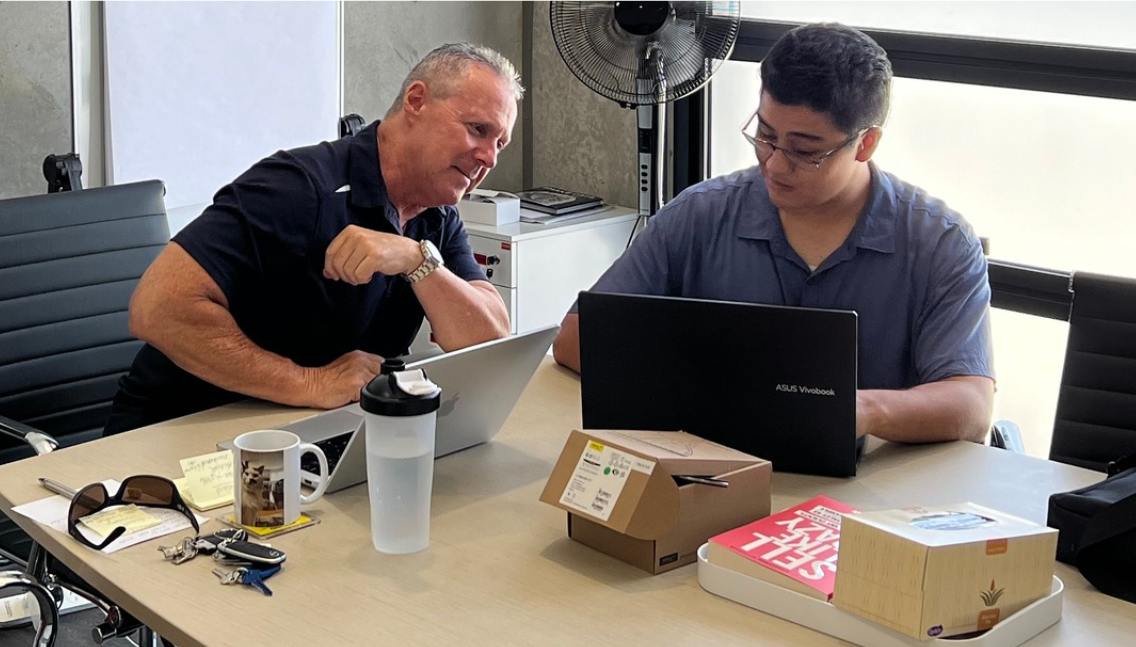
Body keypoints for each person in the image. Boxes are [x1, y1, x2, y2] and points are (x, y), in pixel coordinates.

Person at [552, 23, 994, 445]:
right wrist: (696, 392)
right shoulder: (700, 214)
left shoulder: (939, 242)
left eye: (805, 151)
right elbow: (575, 337)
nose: (776, 164)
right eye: (765, 135)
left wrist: (863, 411)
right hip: (716, 468)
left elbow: (972, 407)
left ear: (865, 144)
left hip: (875, 489)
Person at [104, 43, 519, 435]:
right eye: (477, 129)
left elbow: (490, 339)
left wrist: (415, 259)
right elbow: (156, 308)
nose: (490, 158)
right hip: (179, 434)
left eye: (499, 143)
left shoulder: (436, 216)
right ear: (416, 101)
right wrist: (310, 383)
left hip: (304, 433)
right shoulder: (298, 187)